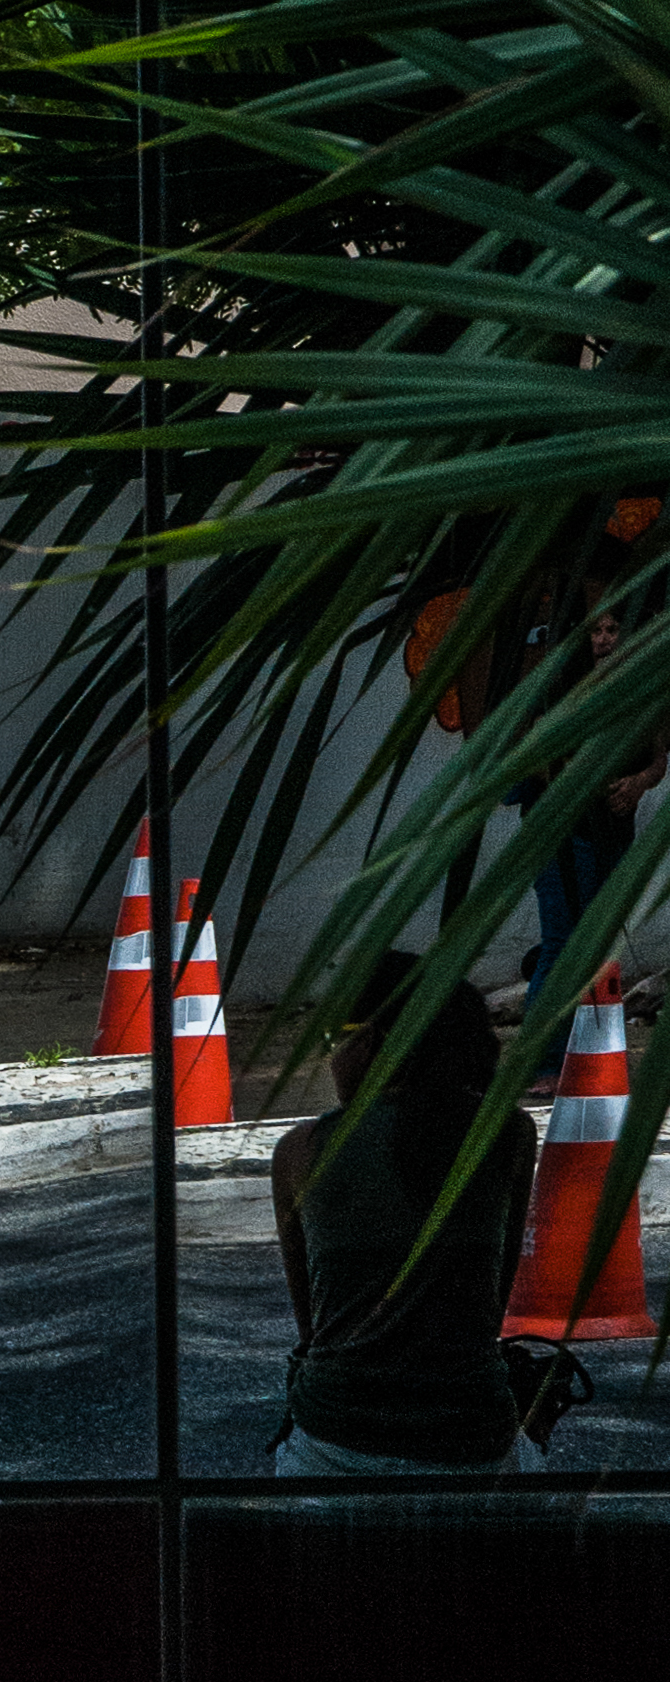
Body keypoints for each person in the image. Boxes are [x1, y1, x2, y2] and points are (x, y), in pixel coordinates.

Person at [271, 952, 540, 1477]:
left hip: (336, 1443)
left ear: (370, 1040)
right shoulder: (508, 1136)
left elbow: (315, 1330)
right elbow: (490, 1309)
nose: (330, 1059)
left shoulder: (301, 1153)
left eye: (333, 1040)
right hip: (473, 1438)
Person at [519, 601, 666, 1091]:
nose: (604, 639)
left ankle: (593, 1061)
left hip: (611, 829)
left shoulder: (645, 689)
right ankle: (543, 1064)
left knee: (598, 944)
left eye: (613, 629)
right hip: (562, 831)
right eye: (596, 630)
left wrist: (638, 782)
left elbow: (657, 760)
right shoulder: (562, 693)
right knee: (562, 943)